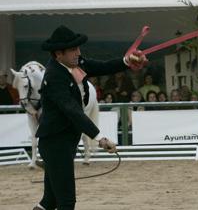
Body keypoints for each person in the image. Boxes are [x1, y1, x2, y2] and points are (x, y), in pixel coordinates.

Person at [32, 25, 146, 210]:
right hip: (55, 144)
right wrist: (99, 137)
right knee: (66, 202)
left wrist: (126, 61)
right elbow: (72, 110)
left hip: (65, 141)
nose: (78, 52)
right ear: (58, 54)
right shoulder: (54, 77)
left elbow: (102, 66)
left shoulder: (74, 63)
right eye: (72, 50)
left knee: (49, 201)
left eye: (78, 48)